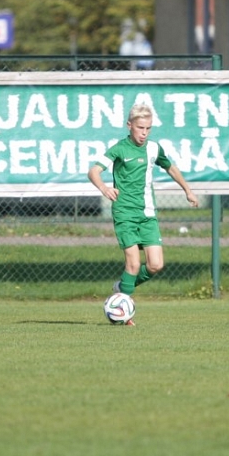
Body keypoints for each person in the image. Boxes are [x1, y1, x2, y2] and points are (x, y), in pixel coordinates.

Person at [88, 103, 199, 324]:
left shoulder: (153, 149)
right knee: (133, 264)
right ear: (129, 126)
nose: (144, 133)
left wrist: (187, 190)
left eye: (148, 128)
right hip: (125, 214)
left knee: (156, 264)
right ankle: (123, 310)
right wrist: (104, 188)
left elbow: (170, 167)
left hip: (148, 214)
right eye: (140, 128)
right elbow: (93, 171)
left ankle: (120, 289)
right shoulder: (119, 149)